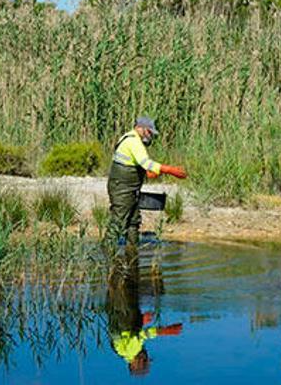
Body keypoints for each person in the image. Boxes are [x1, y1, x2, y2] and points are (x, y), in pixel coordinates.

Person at [107, 116, 187, 246]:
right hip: (122, 189)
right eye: (149, 132)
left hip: (129, 188)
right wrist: (169, 169)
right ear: (141, 128)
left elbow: (135, 164)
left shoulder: (130, 138)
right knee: (118, 221)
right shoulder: (133, 142)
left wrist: (149, 173)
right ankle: (107, 252)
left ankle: (132, 251)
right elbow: (145, 162)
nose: (150, 136)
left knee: (133, 222)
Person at [106, 250, 182, 376]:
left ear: (135, 363)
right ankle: (116, 252)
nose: (146, 357)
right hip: (115, 311)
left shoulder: (132, 351)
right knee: (117, 282)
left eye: (145, 361)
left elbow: (141, 334)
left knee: (131, 280)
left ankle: (128, 252)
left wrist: (166, 331)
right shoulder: (121, 352)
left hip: (125, 314)